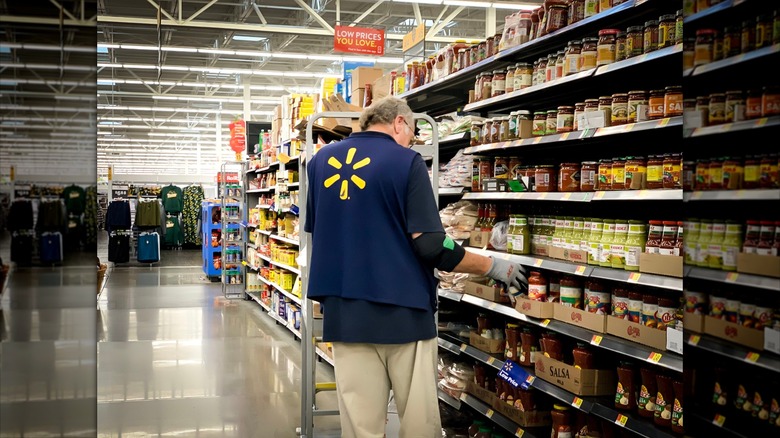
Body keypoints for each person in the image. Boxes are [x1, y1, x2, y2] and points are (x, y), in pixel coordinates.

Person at [304, 96, 527, 438]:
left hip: (345, 316)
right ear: (399, 123)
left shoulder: (320, 163)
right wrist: (494, 266)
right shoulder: (406, 162)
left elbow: (322, 231)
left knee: (360, 426)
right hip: (403, 315)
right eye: (413, 132)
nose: (412, 140)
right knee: (418, 423)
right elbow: (433, 244)